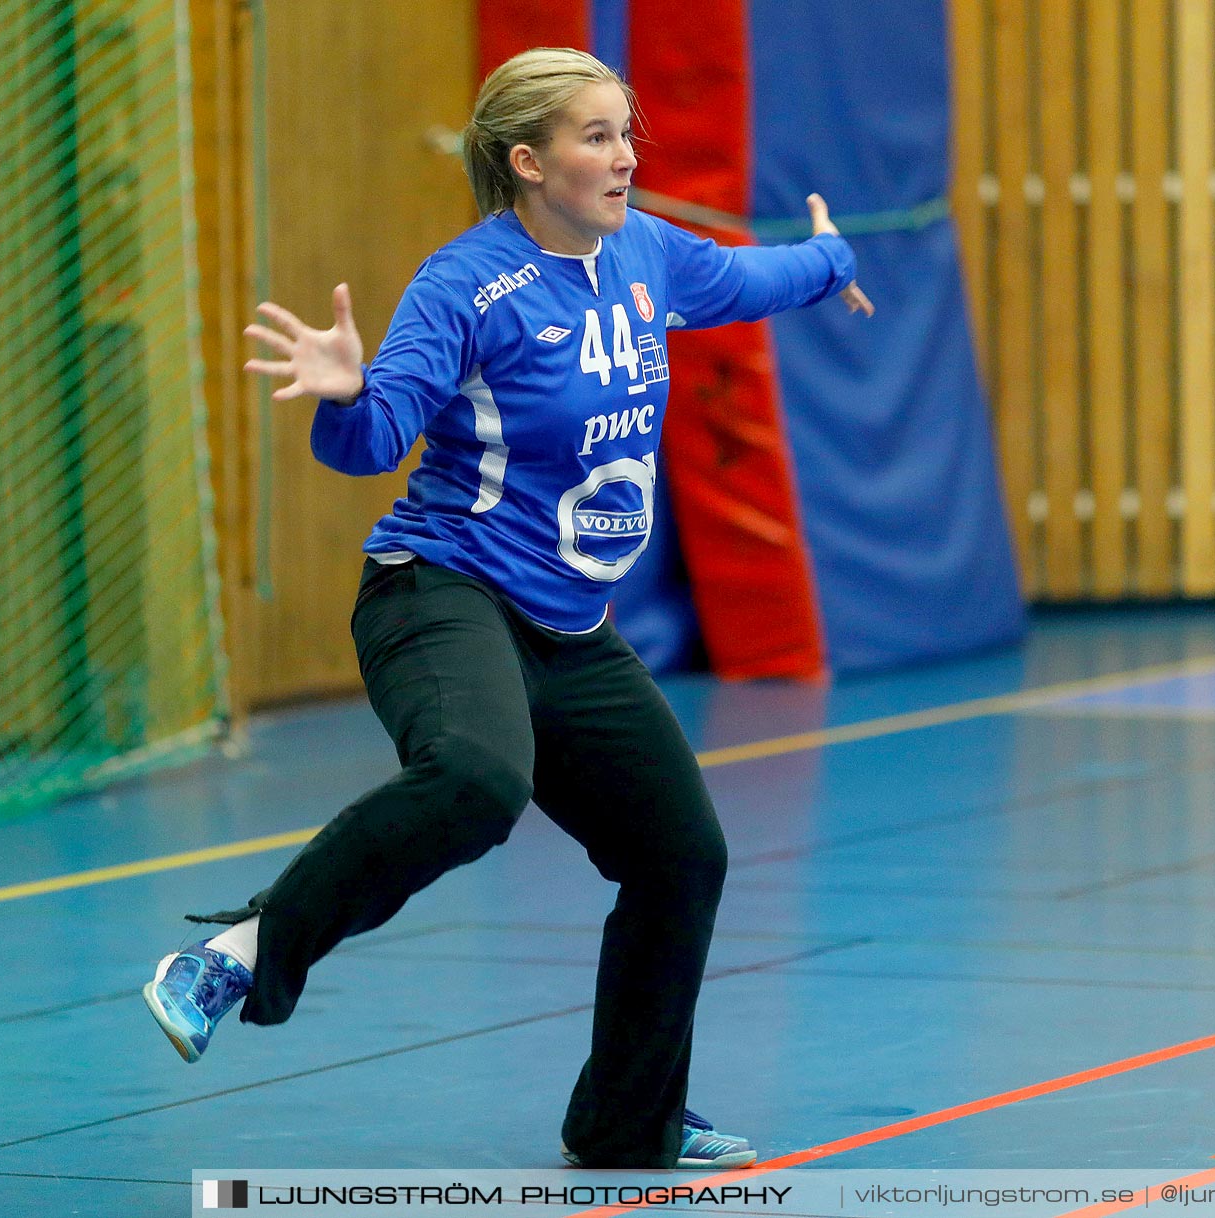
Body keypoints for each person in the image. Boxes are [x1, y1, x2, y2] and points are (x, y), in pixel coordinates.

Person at [140, 46, 872, 1170]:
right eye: (596, 137)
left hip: (570, 630)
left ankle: (627, 1123)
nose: (625, 155)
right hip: (441, 594)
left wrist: (830, 256)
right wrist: (344, 396)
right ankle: (240, 951)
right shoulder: (464, 286)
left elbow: (751, 280)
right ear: (528, 162)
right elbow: (375, 438)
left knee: (681, 853)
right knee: (480, 781)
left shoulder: (648, 258)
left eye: (629, 132)